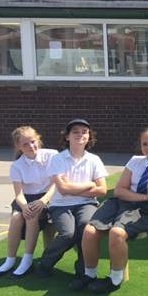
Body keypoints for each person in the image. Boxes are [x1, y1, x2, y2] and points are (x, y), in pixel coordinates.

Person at [72, 127, 148, 293]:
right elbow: (119, 190)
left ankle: (115, 279)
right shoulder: (135, 161)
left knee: (117, 233)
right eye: (144, 144)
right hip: (119, 202)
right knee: (90, 231)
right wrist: (143, 196)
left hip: (142, 211)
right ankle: (89, 274)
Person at [36, 119, 108, 278]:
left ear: (89, 137)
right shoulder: (57, 159)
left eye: (84, 132)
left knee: (85, 229)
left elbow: (102, 190)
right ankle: (45, 263)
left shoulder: (94, 160)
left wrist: (73, 189)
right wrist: (89, 184)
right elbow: (62, 189)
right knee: (68, 234)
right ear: (67, 136)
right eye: (75, 131)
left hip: (87, 203)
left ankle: (83, 271)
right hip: (60, 205)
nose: (80, 134)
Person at [0, 126, 58, 278]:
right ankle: (10, 260)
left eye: (32, 141)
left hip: (48, 196)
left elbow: (56, 183)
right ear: (18, 147)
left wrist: (43, 201)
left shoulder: (52, 155)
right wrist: (23, 206)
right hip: (26, 199)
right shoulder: (16, 165)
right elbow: (19, 194)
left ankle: (27, 260)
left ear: (38, 140)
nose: (30, 146)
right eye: (25, 144)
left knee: (32, 216)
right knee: (16, 217)